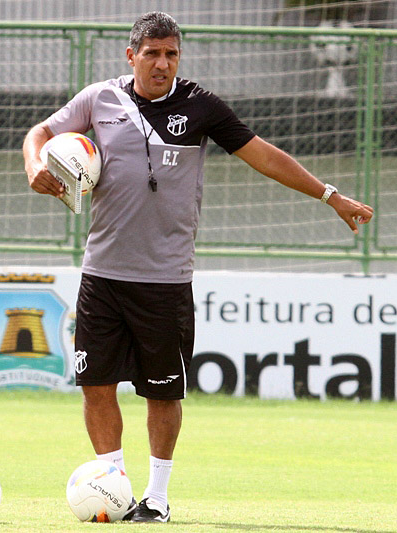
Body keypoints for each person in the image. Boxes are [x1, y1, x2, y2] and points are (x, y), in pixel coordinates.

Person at [23, 11, 373, 523]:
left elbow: (264, 156)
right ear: (131, 56)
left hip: (165, 280)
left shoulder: (201, 106)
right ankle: (112, 487)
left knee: (162, 392)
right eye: (152, 53)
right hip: (102, 274)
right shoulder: (99, 99)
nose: (162, 63)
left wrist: (330, 195)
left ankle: (157, 499)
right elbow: (42, 131)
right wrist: (35, 165)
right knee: (95, 384)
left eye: (171, 54)